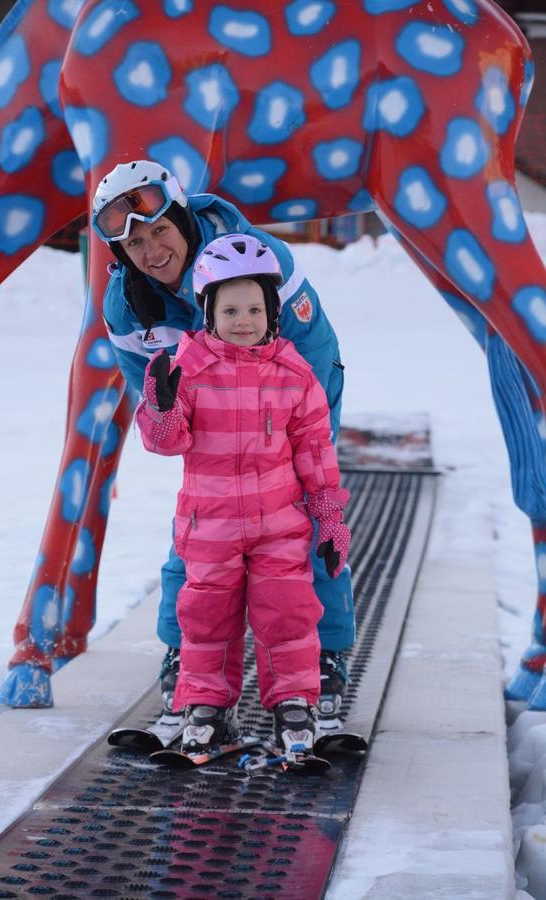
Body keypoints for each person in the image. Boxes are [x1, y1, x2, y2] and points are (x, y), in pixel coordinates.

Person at [92, 159, 354, 718]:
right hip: (209, 421)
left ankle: (325, 651)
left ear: (182, 219)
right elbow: (159, 418)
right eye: (135, 242)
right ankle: (185, 650)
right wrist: (168, 415)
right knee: (201, 526)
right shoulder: (125, 309)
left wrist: (287, 439)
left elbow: (308, 362)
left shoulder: (257, 259)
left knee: (300, 515)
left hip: (295, 389)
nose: (152, 250)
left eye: (159, 229)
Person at [135, 233, 351, 753]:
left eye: (255, 308)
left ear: (272, 312)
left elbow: (315, 452)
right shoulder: (187, 371)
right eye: (230, 309)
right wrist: (161, 406)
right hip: (209, 526)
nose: (244, 320)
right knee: (207, 619)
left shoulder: (295, 375)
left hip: (280, 525)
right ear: (207, 312)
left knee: (289, 614)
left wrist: (329, 519)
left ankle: (293, 707)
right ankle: (208, 708)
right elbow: (167, 443)